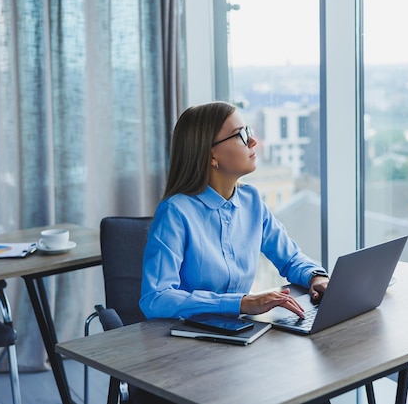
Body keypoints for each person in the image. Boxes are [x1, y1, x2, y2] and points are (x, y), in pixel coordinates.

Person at [140, 101, 329, 321]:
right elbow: (155, 298)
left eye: (248, 131)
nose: (252, 141)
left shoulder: (252, 202)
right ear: (212, 156)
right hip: (185, 342)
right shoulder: (175, 212)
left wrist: (316, 277)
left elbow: (290, 258)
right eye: (241, 135)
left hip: (239, 334)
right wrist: (241, 303)